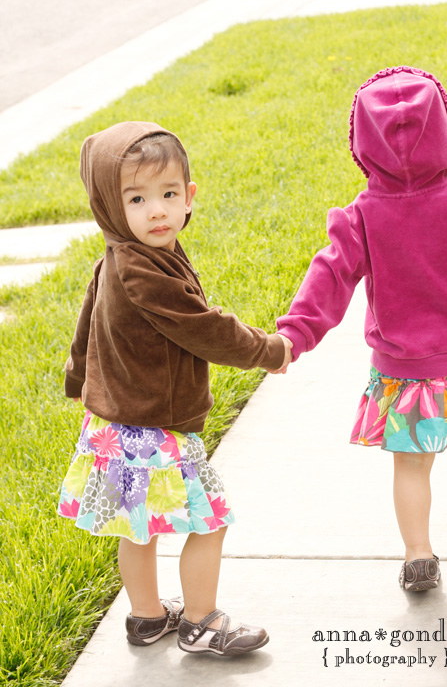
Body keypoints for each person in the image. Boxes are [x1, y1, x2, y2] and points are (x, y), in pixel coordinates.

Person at [57, 121, 291, 655]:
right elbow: (206, 328)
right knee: (209, 521)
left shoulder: (118, 257)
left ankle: (146, 618)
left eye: (167, 194)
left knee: (137, 528)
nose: (157, 211)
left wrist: (78, 379)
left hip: (119, 426)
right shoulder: (143, 271)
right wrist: (269, 350)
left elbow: (84, 327)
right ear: (111, 207)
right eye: (136, 199)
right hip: (152, 430)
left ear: (189, 196)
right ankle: (202, 622)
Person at [276, 65, 447, 592]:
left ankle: (419, 556)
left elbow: (329, 276)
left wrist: (295, 334)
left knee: (411, 466)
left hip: (405, 369)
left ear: (362, 146)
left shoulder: (362, 216)